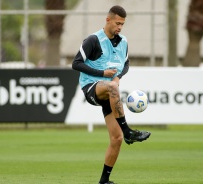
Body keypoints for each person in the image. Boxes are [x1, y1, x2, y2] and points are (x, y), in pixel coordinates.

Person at [72, 5, 151, 184]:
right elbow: (76, 64)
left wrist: (118, 77)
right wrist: (104, 75)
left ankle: (104, 180)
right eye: (117, 23)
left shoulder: (123, 41)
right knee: (113, 88)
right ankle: (129, 131)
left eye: (122, 24)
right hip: (91, 87)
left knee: (116, 139)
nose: (120, 27)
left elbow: (126, 64)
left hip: (108, 90)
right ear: (108, 20)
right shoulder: (93, 40)